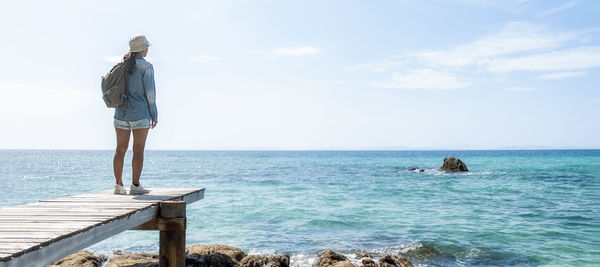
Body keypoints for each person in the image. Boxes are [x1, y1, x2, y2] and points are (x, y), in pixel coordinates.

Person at [113, 35, 158, 195]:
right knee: (138, 150)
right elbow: (150, 94)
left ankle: (118, 186)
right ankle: (135, 186)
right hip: (140, 114)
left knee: (120, 150)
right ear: (142, 49)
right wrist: (154, 113)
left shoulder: (121, 65)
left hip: (120, 113)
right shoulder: (146, 67)